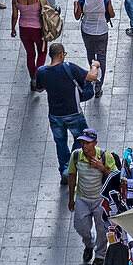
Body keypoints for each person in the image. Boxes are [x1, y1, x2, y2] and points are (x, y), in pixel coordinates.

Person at [35, 43, 99, 185]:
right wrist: (95, 65)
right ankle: (72, 164)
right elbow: (92, 77)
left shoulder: (41, 71)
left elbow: (38, 89)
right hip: (73, 113)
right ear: (62, 54)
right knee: (82, 137)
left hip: (55, 115)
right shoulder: (69, 67)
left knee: (60, 142)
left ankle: (64, 170)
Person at [67, 128, 117, 265]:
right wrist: (71, 198)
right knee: (80, 227)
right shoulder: (76, 156)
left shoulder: (105, 156)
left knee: (102, 230)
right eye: (82, 142)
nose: (85, 145)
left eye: (88, 143)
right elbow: (72, 175)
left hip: (100, 200)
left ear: (95, 142)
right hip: (82, 199)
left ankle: (100, 255)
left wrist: (102, 168)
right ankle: (89, 244)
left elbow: (114, 177)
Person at [74, 0, 114, 97]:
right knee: (102, 58)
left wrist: (76, 5)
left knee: (91, 55)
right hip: (102, 31)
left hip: (87, 31)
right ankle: (98, 87)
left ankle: (93, 75)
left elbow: (77, 16)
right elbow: (112, 14)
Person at [11, 0, 47, 92]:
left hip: (24, 30)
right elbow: (48, 11)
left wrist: (13, 29)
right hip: (38, 31)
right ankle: (37, 78)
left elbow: (15, 15)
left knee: (30, 55)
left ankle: (32, 78)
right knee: (42, 53)